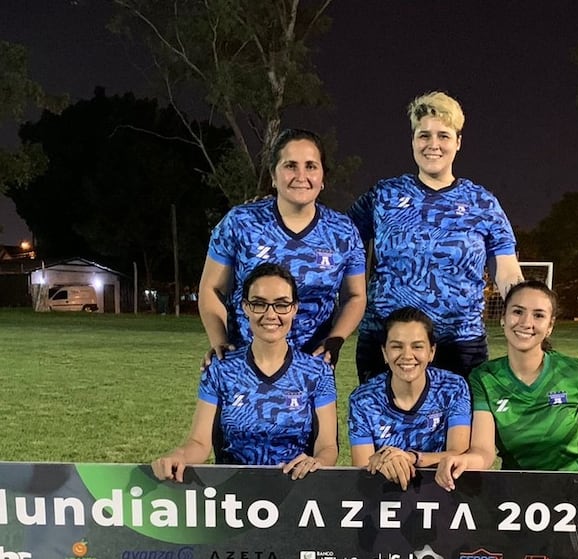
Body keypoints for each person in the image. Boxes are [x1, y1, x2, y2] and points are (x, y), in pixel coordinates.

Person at [349, 90, 524, 382]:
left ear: (458, 142)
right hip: (388, 344)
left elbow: (507, 273)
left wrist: (527, 315)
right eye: (424, 135)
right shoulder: (383, 196)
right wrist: (281, 208)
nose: (433, 144)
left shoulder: (482, 203)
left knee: (460, 429)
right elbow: (332, 237)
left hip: (460, 346)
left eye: (443, 135)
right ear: (413, 141)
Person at [152, 263, 338, 482]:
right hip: (232, 495)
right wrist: (179, 455)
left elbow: (327, 445)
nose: (271, 314)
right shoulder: (220, 369)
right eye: (259, 304)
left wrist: (319, 462)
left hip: (297, 490)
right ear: (245, 307)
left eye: (281, 305)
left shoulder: (317, 372)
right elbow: (200, 443)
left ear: (294, 308)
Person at [199, 128, 366, 367]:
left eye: (310, 166)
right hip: (245, 363)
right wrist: (220, 341)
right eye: (290, 166)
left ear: (323, 177)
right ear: (274, 176)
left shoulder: (343, 231)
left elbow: (356, 296)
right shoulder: (240, 222)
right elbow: (210, 288)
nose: (301, 175)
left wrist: (335, 339)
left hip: (311, 367)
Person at [436, 280, 578, 491]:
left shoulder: (574, 372)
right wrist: (465, 462)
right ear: (503, 318)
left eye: (538, 315)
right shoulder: (484, 378)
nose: (526, 322)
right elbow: (484, 451)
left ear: (550, 326)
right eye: (517, 312)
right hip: (521, 491)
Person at [348, 307, 471, 491]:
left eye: (417, 346)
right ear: (384, 352)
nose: (407, 355)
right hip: (385, 496)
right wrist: (387, 462)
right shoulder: (363, 400)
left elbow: (458, 453)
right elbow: (364, 467)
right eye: (397, 346)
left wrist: (411, 458)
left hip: (443, 491)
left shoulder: (453, 388)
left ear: (431, 352)